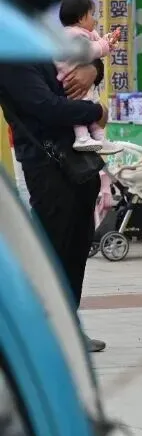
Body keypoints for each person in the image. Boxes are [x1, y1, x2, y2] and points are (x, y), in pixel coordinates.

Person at [0, 57, 108, 353]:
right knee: (52, 249)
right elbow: (46, 107)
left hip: (80, 162)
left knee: (76, 247)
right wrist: (96, 111)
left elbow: (86, 56)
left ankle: (67, 327)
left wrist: (93, 70)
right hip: (46, 164)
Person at [56, 0, 122, 155]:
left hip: (80, 78)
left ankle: (99, 138)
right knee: (82, 105)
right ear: (80, 18)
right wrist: (104, 45)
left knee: (91, 104)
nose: (95, 19)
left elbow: (97, 43)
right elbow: (89, 50)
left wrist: (109, 40)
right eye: (92, 15)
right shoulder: (72, 35)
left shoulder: (82, 32)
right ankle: (82, 137)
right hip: (71, 78)